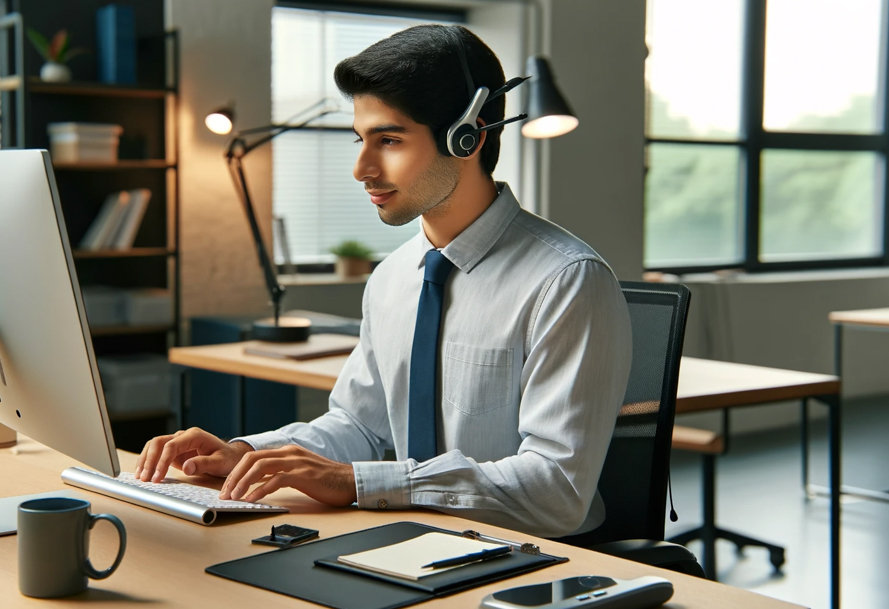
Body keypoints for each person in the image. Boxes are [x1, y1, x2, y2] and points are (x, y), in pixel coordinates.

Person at [136, 24, 631, 539]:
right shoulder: (393, 277)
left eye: (389, 140)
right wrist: (248, 453)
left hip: (528, 559)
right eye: (361, 140)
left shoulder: (567, 282)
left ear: (469, 137)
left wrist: (359, 483)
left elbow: (557, 492)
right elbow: (359, 427)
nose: (361, 169)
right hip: (410, 539)